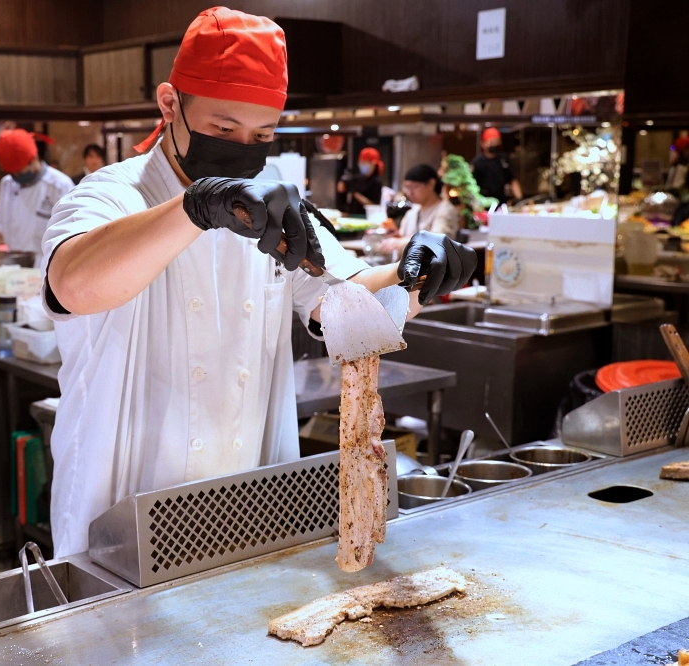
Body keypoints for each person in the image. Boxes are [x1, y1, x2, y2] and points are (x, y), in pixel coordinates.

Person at [40, 7, 476, 557]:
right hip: (122, 522)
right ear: (170, 103)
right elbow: (73, 286)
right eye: (224, 128)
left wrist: (416, 271)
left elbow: (344, 297)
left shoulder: (271, 200)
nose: (244, 148)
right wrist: (198, 207)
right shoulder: (109, 196)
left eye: (262, 133)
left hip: (249, 508)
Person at [0, 129, 74, 267]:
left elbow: (73, 237)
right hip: (13, 271)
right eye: (12, 173)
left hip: (47, 272)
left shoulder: (60, 186)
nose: (16, 176)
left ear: (33, 159)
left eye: (19, 171)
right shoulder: (8, 184)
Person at [380, 165, 460, 255]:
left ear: (431, 184)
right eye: (407, 187)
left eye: (414, 187)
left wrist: (401, 242)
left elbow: (438, 240)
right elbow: (402, 239)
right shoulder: (412, 212)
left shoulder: (445, 209)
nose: (410, 192)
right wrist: (395, 237)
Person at [470, 128, 522, 204]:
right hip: (483, 201)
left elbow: (512, 180)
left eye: (496, 142)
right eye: (491, 142)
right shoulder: (477, 163)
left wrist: (520, 200)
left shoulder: (503, 159)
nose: (494, 145)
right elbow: (471, 186)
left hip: (501, 201)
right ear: (483, 144)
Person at [337, 147, 384, 215]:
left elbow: (373, 206)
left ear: (373, 163)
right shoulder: (359, 179)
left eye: (365, 162)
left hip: (366, 217)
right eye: (361, 162)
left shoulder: (376, 183)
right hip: (353, 216)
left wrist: (355, 193)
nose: (362, 165)